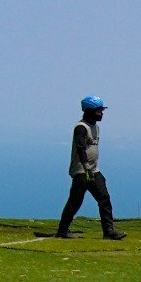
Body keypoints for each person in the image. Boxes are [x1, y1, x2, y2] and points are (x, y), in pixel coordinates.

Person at [55, 96, 123, 240]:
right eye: (99, 111)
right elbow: (80, 147)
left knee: (104, 198)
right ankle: (63, 230)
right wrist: (86, 167)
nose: (102, 114)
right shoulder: (81, 127)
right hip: (82, 170)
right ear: (90, 111)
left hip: (93, 169)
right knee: (75, 201)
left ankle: (109, 231)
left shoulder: (95, 127)